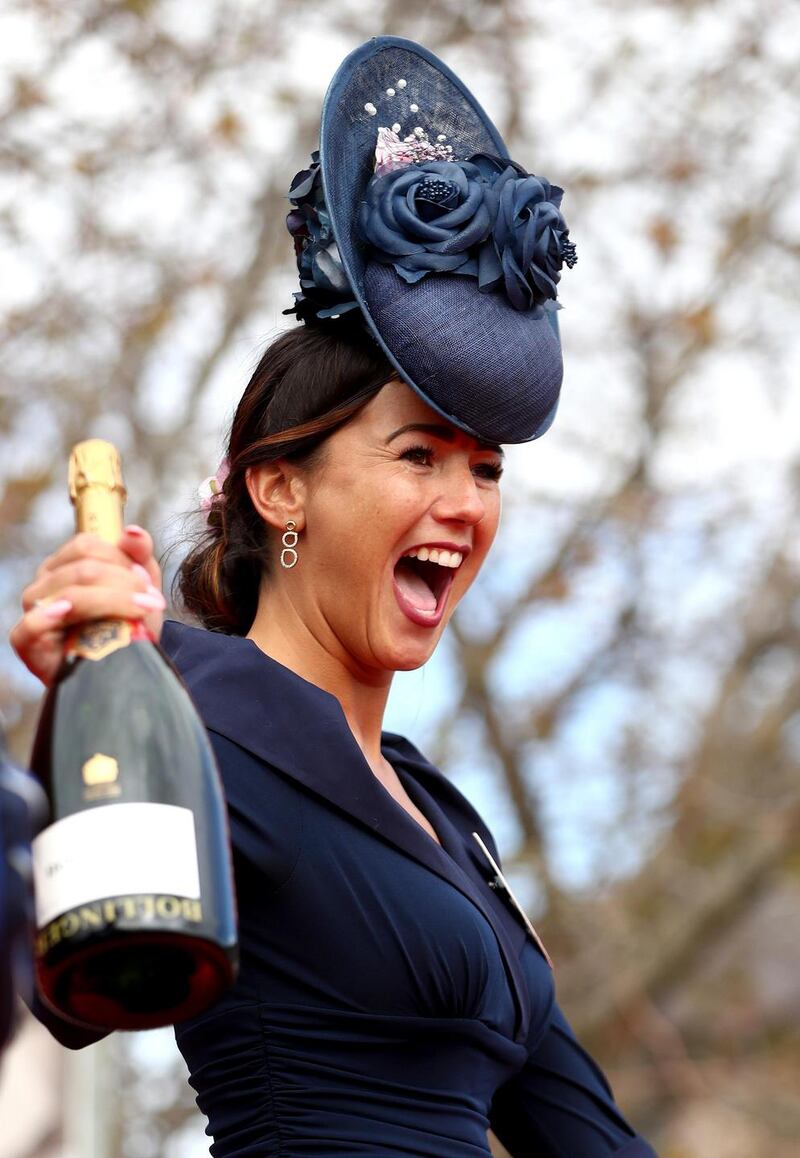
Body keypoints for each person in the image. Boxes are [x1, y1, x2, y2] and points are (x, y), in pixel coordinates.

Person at [11, 37, 656, 1157]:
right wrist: (81, 696)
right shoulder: (188, 700)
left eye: (486, 468)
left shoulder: (441, 814)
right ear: (277, 488)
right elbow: (65, 991)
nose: (464, 502)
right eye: (419, 456)